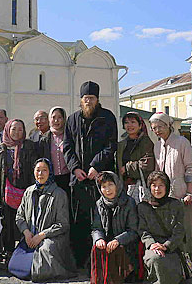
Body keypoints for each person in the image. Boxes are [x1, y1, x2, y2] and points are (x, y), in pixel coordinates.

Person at [64, 80, 118, 268]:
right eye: (85, 98)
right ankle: (80, 261)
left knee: (101, 220)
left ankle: (101, 260)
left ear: (97, 100)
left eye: (92, 98)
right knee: (79, 221)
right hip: (78, 180)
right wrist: (75, 168)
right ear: (81, 100)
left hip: (100, 179)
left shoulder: (107, 117)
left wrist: (96, 166)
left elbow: (111, 145)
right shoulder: (72, 119)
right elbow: (67, 147)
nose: (88, 102)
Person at [149, 112, 192, 276]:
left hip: (182, 194)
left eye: (160, 126)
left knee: (188, 228)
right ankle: (177, 264)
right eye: (154, 128)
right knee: (171, 231)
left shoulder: (181, 142)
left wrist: (190, 193)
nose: (157, 130)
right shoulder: (157, 146)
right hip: (165, 196)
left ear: (168, 125)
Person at [14, 158, 77, 282]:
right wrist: (26, 233)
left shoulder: (59, 194)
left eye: (44, 170)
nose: (40, 174)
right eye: (38, 170)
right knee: (14, 267)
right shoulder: (29, 191)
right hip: (31, 237)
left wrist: (42, 235)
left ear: (50, 173)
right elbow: (19, 216)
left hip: (51, 239)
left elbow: (62, 224)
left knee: (39, 269)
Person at [0, 119, 38, 256]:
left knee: (25, 222)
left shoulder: (28, 146)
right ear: (7, 130)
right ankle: (9, 251)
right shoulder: (2, 148)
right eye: (13, 129)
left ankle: (25, 251)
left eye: (20, 129)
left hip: (25, 191)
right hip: (7, 192)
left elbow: (34, 168)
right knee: (8, 224)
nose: (17, 132)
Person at [138, 171, 185, 284]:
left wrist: (166, 246)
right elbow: (143, 230)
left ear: (166, 187)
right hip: (152, 245)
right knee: (155, 259)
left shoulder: (176, 205)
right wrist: (152, 244)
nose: (157, 189)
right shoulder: (143, 207)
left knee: (169, 262)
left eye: (161, 185)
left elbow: (179, 231)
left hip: (172, 247)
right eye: (154, 185)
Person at [91, 171, 138, 284]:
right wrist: (99, 239)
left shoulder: (129, 202)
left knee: (116, 249)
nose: (108, 190)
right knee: (97, 248)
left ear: (117, 184)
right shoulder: (99, 204)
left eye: (110, 185)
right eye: (104, 186)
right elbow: (96, 228)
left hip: (125, 243)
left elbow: (133, 231)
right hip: (107, 241)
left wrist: (118, 240)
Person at [117, 112, 155, 203]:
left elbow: (148, 164)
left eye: (133, 122)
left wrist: (127, 168)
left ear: (140, 125)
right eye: (126, 123)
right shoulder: (122, 144)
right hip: (124, 186)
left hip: (140, 186)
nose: (129, 125)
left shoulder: (146, 142)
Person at [38, 107, 71, 196]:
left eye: (59, 117)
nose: (56, 120)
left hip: (68, 178)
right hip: (51, 179)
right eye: (53, 117)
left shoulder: (70, 136)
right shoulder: (44, 139)